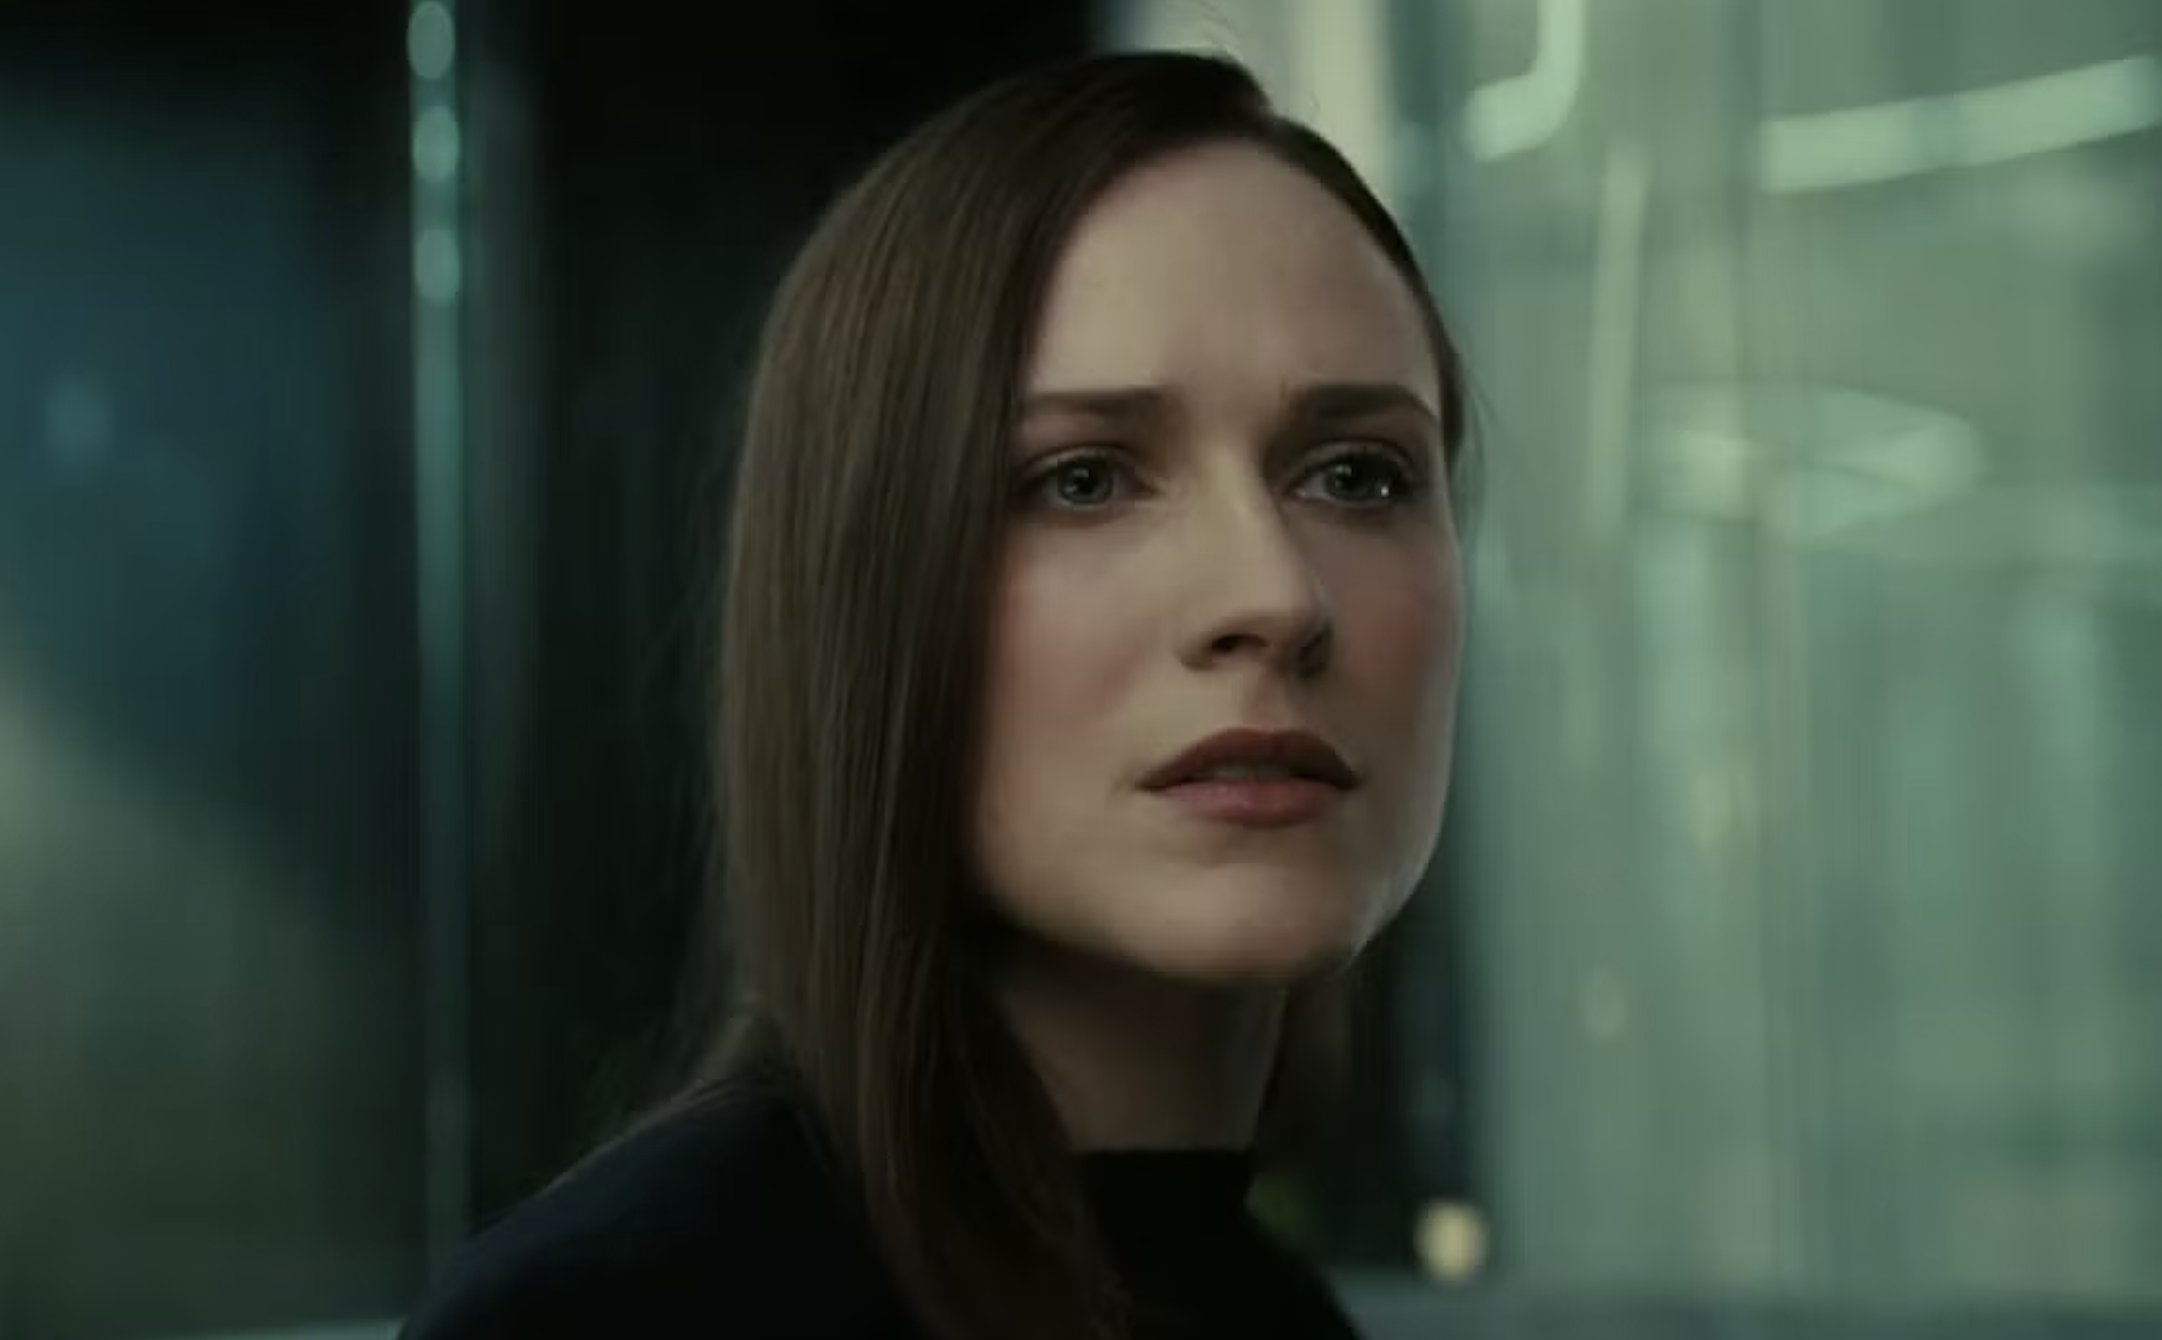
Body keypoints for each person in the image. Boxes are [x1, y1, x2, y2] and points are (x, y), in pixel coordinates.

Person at [400, 47, 1467, 1340]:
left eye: (1356, 476)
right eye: (1083, 480)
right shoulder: (608, 1320)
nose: (1277, 594)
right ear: (866, 591)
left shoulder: (1275, 1320)